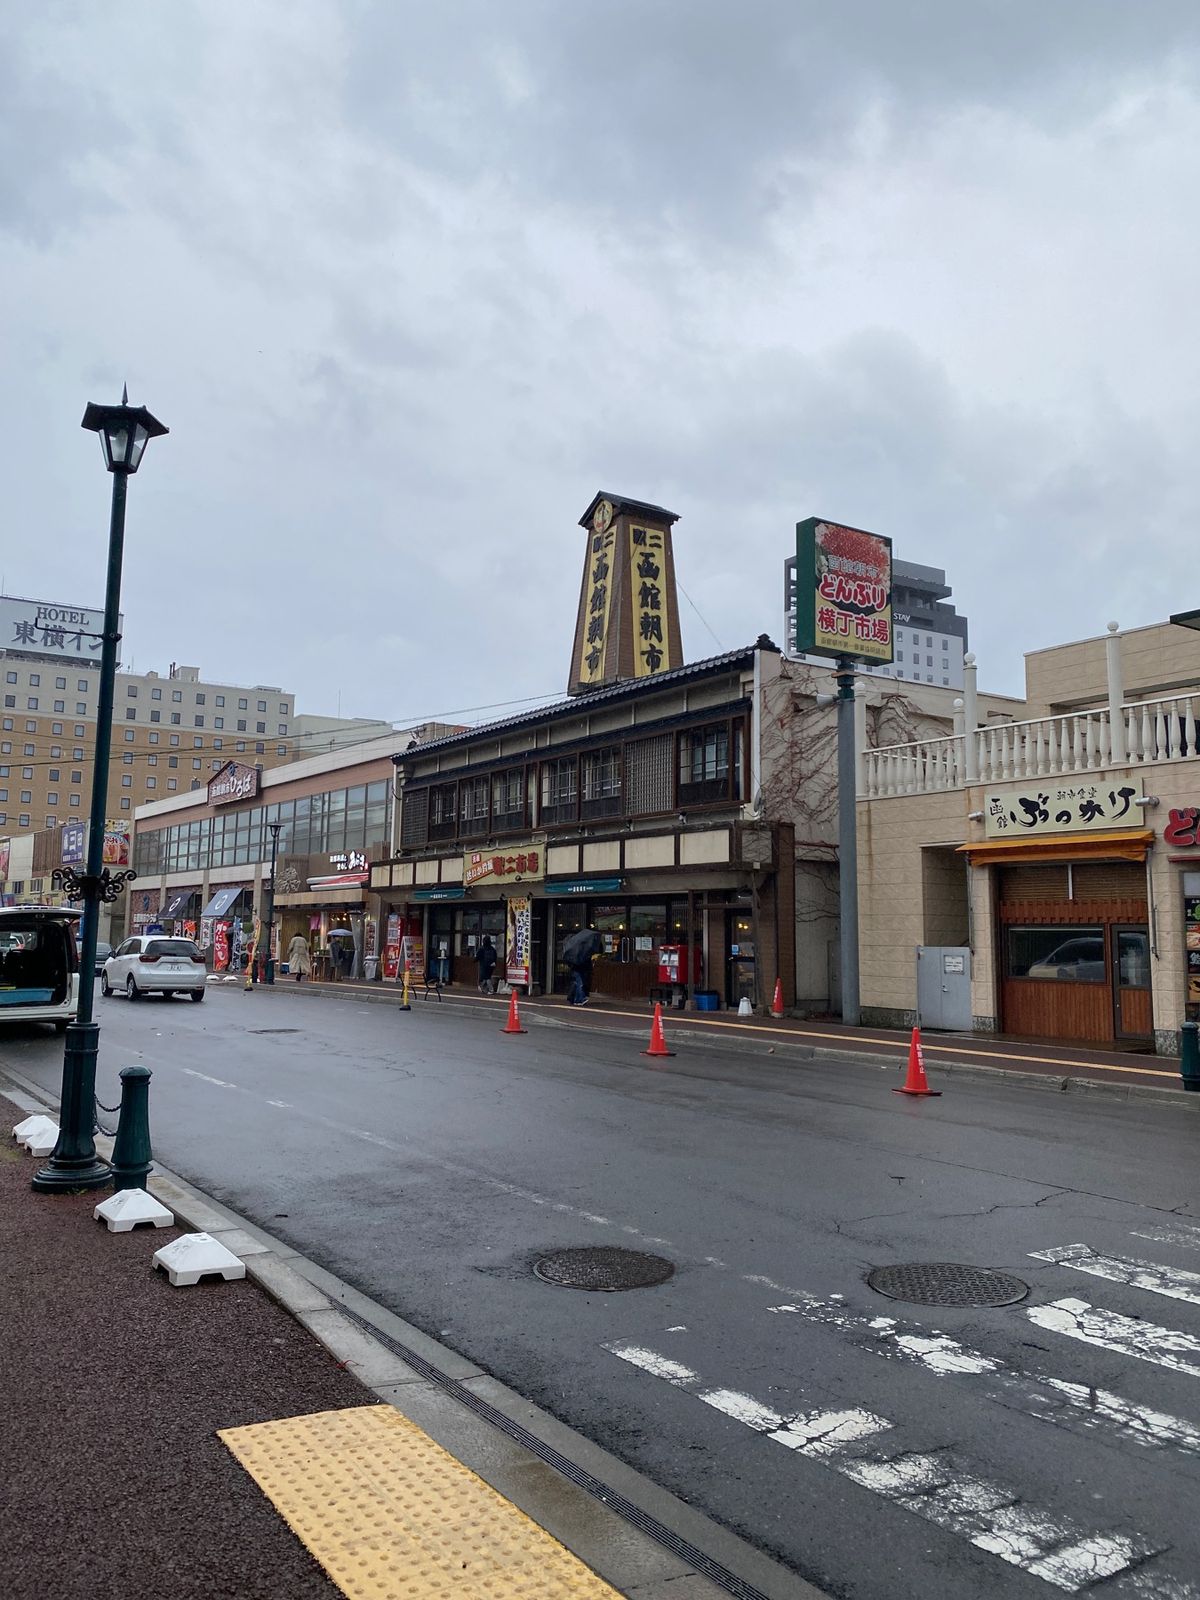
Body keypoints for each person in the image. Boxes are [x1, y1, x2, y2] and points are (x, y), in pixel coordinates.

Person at [561, 925, 602, 1006]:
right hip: (578, 968)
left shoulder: (573, 950)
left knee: (576, 983)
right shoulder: (581, 950)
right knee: (580, 983)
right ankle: (580, 999)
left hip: (576, 968)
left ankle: (573, 998)